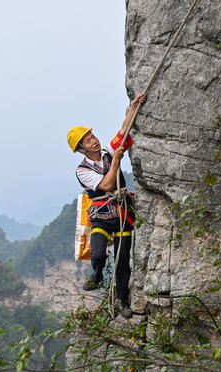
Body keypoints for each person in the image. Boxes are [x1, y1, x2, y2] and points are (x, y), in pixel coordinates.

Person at [67, 94, 146, 319]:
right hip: (101, 216)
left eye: (92, 136)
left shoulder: (108, 152)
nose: (94, 140)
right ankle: (97, 273)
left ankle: (123, 301)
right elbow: (106, 184)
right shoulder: (82, 170)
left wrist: (133, 107)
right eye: (88, 140)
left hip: (121, 214)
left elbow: (123, 131)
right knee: (99, 253)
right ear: (81, 149)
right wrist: (117, 162)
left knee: (122, 263)